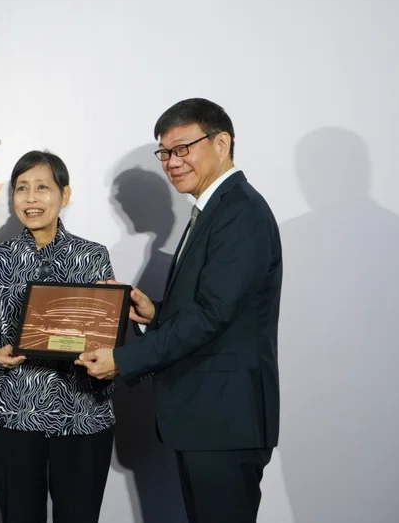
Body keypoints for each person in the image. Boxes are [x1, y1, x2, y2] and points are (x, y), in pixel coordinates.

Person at [80, 98, 281, 523]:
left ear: (222, 143)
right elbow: (214, 306)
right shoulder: (214, 209)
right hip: (208, 418)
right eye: (165, 152)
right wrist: (155, 313)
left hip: (224, 421)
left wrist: (124, 359)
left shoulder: (240, 212)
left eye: (183, 148)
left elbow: (211, 315)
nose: (172, 162)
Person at [0, 150, 116, 523]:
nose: (31, 198)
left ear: (64, 195)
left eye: (42, 187)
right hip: (14, 411)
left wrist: (100, 352)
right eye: (21, 188)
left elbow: (106, 331)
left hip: (82, 411)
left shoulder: (92, 255)